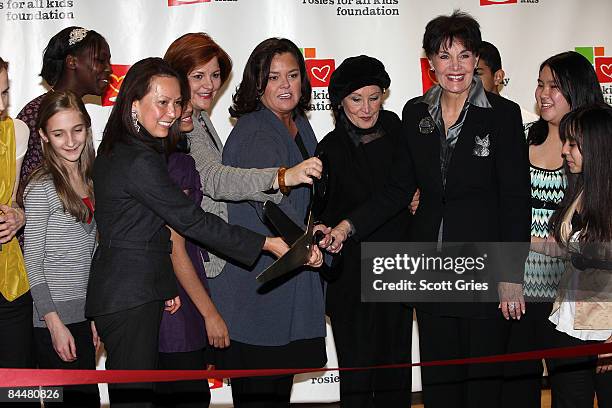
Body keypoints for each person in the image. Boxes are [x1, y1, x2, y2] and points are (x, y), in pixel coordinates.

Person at [325, 11, 531, 408]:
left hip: (483, 264)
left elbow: (515, 198)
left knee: (482, 382)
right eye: (444, 55)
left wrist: (510, 273)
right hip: (430, 266)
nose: (455, 66)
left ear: (476, 60)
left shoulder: (504, 115)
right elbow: (398, 188)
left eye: (465, 56)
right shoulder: (415, 112)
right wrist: (348, 226)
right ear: (431, 62)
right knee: (439, 381)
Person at [85, 57, 317, 408]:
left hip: (137, 290)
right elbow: (190, 221)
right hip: (127, 295)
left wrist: (163, 285)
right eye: (161, 103)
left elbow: (144, 228)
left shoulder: (128, 148)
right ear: (134, 105)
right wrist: (266, 243)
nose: (172, 112)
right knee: (133, 400)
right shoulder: (137, 158)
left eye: (177, 103)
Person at [208, 37, 327, 407]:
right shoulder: (256, 130)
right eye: (274, 77)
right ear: (257, 83)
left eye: (292, 75)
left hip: (288, 280)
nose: (285, 85)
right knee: (260, 394)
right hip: (257, 286)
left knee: (276, 392)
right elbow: (268, 209)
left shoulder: (298, 124)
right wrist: (306, 247)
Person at [163, 32, 322, 279]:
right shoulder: (182, 124)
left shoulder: (200, 118)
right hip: (186, 257)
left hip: (210, 252)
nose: (209, 85)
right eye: (198, 76)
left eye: (215, 75)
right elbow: (215, 180)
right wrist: (281, 178)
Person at [502, 51, 605, 408]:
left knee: (572, 396)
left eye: (555, 86)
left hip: (574, 302)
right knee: (516, 394)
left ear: (577, 90)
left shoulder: (597, 150)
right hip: (518, 295)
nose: (544, 93)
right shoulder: (519, 139)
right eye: (541, 83)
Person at [315, 55, 413, 407]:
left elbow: (405, 187)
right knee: (356, 374)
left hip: (396, 266)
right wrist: (330, 230)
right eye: (356, 99)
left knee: (396, 370)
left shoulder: (398, 128)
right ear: (340, 102)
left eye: (374, 96)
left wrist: (419, 197)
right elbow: (320, 212)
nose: (367, 108)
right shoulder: (328, 148)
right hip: (352, 276)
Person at [23, 90, 100, 407]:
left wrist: (94, 315)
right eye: (58, 133)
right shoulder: (41, 187)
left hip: (85, 317)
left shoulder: (93, 180)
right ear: (43, 136)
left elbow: (93, 254)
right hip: (52, 320)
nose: (70, 141)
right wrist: (53, 324)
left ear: (87, 127)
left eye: (77, 129)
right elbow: (33, 262)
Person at [155, 100, 223, 408]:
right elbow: (175, 246)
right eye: (174, 103)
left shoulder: (148, 161)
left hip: (158, 298)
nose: (184, 110)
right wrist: (211, 315)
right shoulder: (178, 165)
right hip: (178, 304)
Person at [544, 103, 612, 407]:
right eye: (565, 142)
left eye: (573, 144)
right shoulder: (581, 190)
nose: (564, 151)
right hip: (567, 325)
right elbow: (563, 248)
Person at [17, 26, 111, 189]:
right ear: (72, 62)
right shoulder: (36, 113)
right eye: (100, 60)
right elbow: (24, 189)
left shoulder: (77, 109)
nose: (109, 68)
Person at [0, 57, 34, 383]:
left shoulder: (16, 132)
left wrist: (18, 217)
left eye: (4, 93)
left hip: (10, 284)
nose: (0, 105)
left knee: (17, 389)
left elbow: (14, 201)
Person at [475, 40, 539, 124]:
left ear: (498, 77)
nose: (470, 80)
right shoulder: (459, 117)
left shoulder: (525, 121)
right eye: (466, 74)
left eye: (477, 73)